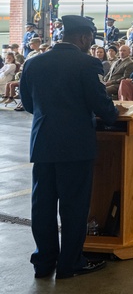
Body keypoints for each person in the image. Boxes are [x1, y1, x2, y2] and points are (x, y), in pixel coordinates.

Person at [20, 15, 125, 279]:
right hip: (75, 145)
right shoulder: (88, 63)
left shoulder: (34, 62)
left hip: (43, 142)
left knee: (42, 205)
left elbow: (29, 104)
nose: (91, 43)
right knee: (74, 207)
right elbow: (101, 105)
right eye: (91, 38)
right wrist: (114, 111)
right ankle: (70, 263)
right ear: (84, 37)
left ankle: (43, 263)